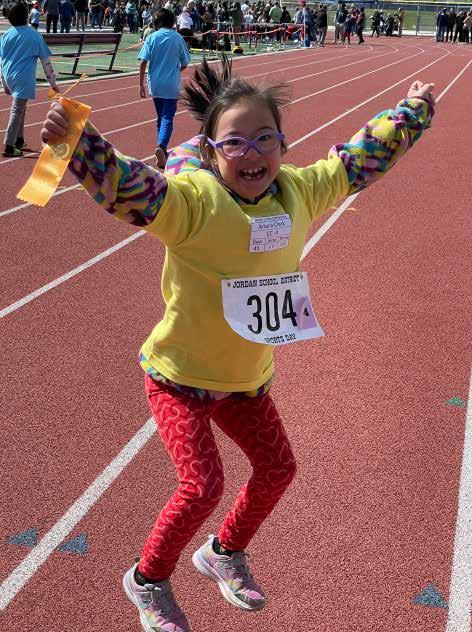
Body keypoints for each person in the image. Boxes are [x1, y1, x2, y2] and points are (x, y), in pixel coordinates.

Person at [41, 53, 436, 632]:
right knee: (203, 486)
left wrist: (413, 111)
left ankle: (222, 552)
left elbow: (357, 160)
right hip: (178, 378)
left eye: (264, 138)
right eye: (234, 143)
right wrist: (80, 143)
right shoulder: (194, 204)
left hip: (245, 383)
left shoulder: (299, 192)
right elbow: (133, 190)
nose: (252, 153)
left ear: (283, 142)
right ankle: (147, 580)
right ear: (214, 153)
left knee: (278, 468)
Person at [1, 1, 59, 157]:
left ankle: (19, 140)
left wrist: (4, 82)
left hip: (9, 75)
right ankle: (9, 146)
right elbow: (46, 62)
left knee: (21, 107)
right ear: (27, 16)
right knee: (17, 110)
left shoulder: (6, 35)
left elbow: (2, 60)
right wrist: (53, 83)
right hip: (23, 78)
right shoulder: (35, 35)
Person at [138, 8, 189, 168]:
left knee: (160, 116)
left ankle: (162, 149)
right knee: (168, 116)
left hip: (155, 84)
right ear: (172, 22)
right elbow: (185, 62)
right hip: (171, 84)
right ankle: (162, 146)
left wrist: (140, 84)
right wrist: (175, 70)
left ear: (156, 23)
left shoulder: (152, 37)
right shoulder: (177, 38)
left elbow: (143, 62)